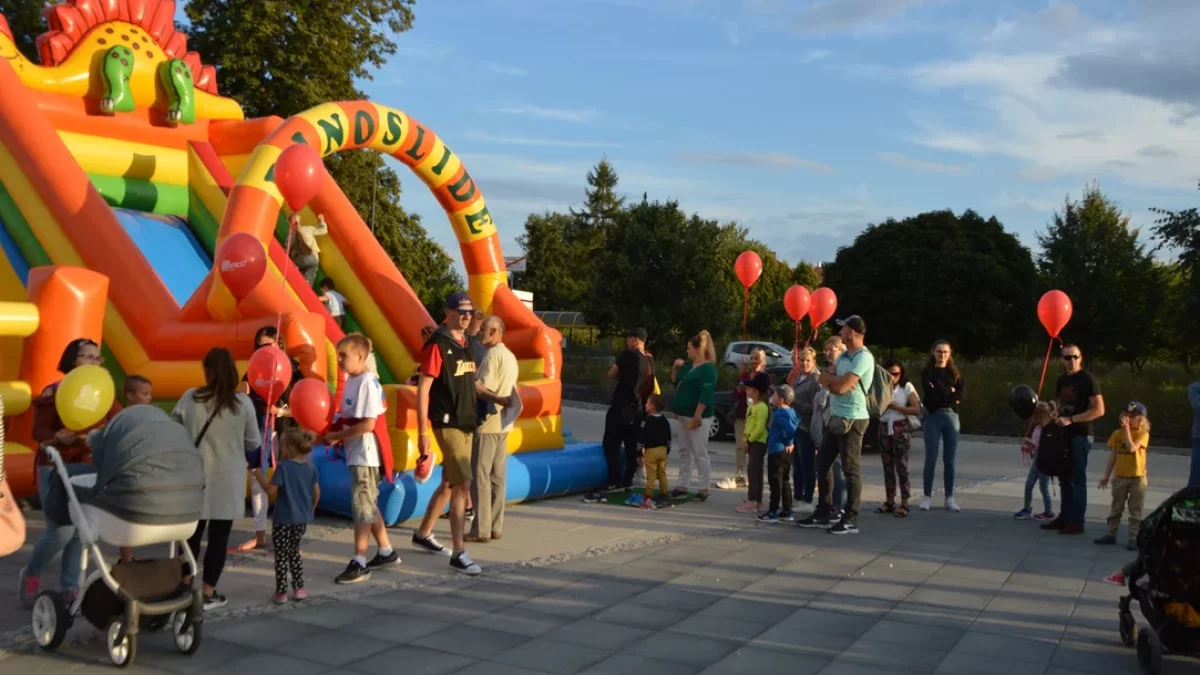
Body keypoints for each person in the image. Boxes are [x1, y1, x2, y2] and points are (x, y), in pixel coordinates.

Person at [19, 339, 121, 608]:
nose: (92, 362)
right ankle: (31, 573)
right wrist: (56, 437)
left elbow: (119, 419)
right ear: (72, 361)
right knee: (61, 530)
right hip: (55, 466)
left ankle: (70, 587)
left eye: (96, 358)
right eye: (85, 356)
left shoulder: (103, 392)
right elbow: (37, 431)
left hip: (87, 465)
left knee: (80, 531)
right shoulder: (54, 392)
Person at [172, 348, 260, 611]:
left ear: (207, 372)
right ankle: (208, 593)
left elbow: (172, 428)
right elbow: (253, 441)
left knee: (189, 537)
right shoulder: (243, 404)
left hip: (193, 478)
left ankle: (184, 586)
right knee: (219, 539)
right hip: (228, 480)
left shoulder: (190, 398)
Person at [412, 292, 483, 575]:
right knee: (463, 484)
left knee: (450, 484)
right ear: (448, 312)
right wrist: (423, 432)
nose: (466, 316)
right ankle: (459, 552)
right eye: (461, 311)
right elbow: (423, 389)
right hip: (447, 421)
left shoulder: (465, 343)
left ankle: (423, 532)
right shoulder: (438, 345)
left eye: (470, 312)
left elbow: (467, 383)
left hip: (466, 421)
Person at [324, 334, 400, 583]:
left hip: (366, 455)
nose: (341, 360)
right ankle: (386, 551)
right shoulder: (354, 380)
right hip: (357, 453)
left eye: (344, 356)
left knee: (362, 507)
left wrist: (338, 436)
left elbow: (368, 423)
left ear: (360, 356)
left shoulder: (367, 382)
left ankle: (359, 560)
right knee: (368, 503)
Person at [799, 315, 874, 535]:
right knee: (822, 463)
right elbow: (823, 378)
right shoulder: (844, 358)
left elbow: (841, 387)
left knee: (851, 469)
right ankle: (823, 511)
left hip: (853, 419)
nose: (839, 331)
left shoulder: (863, 358)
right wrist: (835, 383)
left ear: (851, 332)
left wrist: (834, 383)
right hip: (836, 417)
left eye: (843, 329)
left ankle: (851, 518)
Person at [235, 326, 304, 553]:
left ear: (279, 344)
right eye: (260, 346)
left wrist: (280, 412)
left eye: (269, 345)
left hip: (285, 431)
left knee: (288, 480)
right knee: (257, 480)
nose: (264, 350)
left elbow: (303, 405)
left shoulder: (292, 368)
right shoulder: (255, 365)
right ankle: (260, 535)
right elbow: (244, 394)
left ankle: (290, 536)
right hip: (259, 429)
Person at [251, 428, 320, 603]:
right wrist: (311, 508)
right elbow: (317, 493)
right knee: (294, 553)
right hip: (301, 520)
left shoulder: (283, 468)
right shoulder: (311, 469)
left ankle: (281, 592)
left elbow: (271, 490)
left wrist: (258, 475)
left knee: (281, 555)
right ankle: (299, 589)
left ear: (288, 448)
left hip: (283, 519)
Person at [1044, 344, 1105, 536]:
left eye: (1075, 357)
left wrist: (1072, 419)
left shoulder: (1088, 380)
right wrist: (1055, 414)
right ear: (1061, 360)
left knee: (1077, 478)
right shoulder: (1062, 380)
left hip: (1080, 433)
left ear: (1081, 358)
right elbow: (1061, 405)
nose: (1072, 361)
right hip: (1064, 435)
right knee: (1063, 477)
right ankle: (1065, 517)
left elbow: (1099, 409)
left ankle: (1077, 521)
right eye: (1067, 357)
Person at [468, 316, 518, 543]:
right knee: (498, 476)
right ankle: (496, 526)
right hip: (504, 423)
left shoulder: (492, 356)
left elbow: (482, 388)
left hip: (488, 422)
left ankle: (481, 529)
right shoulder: (509, 355)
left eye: (483, 331)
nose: (480, 335)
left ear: (495, 331)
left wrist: (472, 384)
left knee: (480, 475)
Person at [585, 328, 650, 503]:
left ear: (636, 340)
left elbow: (611, 373)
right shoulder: (647, 361)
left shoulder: (627, 355)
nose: (626, 342)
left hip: (621, 406)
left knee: (610, 444)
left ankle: (614, 480)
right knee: (630, 446)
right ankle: (628, 479)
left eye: (628, 338)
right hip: (636, 407)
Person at [669, 331, 718, 501]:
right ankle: (682, 485)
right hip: (683, 416)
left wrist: (698, 414)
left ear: (698, 350)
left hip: (698, 417)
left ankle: (704, 487)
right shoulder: (689, 366)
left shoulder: (708, 369)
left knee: (699, 451)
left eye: (689, 348)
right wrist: (675, 367)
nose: (687, 352)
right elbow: (675, 380)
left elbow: (705, 393)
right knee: (684, 451)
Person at [1096, 402, 1150, 550]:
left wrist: (1126, 430)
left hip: (1137, 477)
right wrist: (1106, 475)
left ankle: (1133, 537)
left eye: (1133, 416)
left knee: (1135, 509)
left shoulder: (1142, 434)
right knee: (1116, 507)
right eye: (1126, 415)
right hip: (1120, 476)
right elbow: (1113, 455)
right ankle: (1111, 533)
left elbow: (1132, 448)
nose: (1128, 419)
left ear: (1142, 419)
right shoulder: (1117, 434)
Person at [920, 340, 964, 513]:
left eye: (945, 351)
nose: (942, 354)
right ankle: (926, 496)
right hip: (932, 417)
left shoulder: (955, 374)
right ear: (933, 352)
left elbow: (959, 394)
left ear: (950, 353)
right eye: (939, 351)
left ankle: (949, 498)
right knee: (931, 457)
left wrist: (947, 392)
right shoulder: (928, 372)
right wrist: (948, 391)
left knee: (950, 459)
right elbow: (930, 394)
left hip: (951, 416)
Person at [809, 337, 849, 520]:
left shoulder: (845, 368)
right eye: (824, 350)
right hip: (825, 426)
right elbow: (822, 382)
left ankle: (840, 507)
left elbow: (838, 389)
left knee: (839, 468)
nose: (826, 353)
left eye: (830, 349)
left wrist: (827, 386)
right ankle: (826, 507)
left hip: (840, 422)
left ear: (841, 350)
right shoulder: (829, 370)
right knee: (825, 466)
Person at [877, 360, 920, 518]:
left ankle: (905, 502)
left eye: (896, 374)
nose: (893, 377)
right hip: (883, 427)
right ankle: (889, 501)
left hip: (900, 427)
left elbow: (915, 409)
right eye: (889, 374)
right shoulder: (880, 386)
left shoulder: (906, 387)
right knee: (887, 467)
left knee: (901, 466)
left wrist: (897, 407)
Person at [725, 349, 770, 490]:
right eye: (752, 358)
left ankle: (753, 474)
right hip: (742, 414)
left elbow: (768, 395)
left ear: (763, 361)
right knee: (740, 445)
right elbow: (734, 396)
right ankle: (740, 474)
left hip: (757, 415)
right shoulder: (744, 375)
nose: (754, 360)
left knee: (754, 446)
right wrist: (739, 390)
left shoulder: (765, 377)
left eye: (757, 358)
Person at [759, 385, 799, 524]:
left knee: (775, 481)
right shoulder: (792, 411)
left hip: (777, 450)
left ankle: (773, 511)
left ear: (781, 399)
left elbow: (789, 429)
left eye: (774, 395)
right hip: (786, 452)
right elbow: (795, 427)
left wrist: (789, 441)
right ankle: (787, 510)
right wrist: (791, 442)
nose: (772, 396)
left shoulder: (781, 413)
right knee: (785, 480)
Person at [789, 346, 822, 510]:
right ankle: (798, 497)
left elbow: (814, 407)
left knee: (807, 465)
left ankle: (808, 499)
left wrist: (795, 402)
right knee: (796, 465)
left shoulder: (816, 380)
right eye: (801, 360)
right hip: (794, 425)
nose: (804, 363)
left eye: (808, 360)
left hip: (807, 427)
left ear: (813, 361)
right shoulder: (797, 377)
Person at [1014, 402, 1056, 522]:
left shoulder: (1049, 430)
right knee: (1029, 485)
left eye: (1036, 416)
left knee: (1043, 486)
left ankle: (1049, 512)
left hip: (1045, 462)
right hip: (1036, 461)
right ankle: (1027, 508)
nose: (1034, 419)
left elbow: (1045, 448)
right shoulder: (1037, 428)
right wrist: (1028, 447)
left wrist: (1031, 444)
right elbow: (1035, 445)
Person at [737, 381, 770, 514]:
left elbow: (760, 427)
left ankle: (754, 500)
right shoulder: (752, 406)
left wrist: (749, 440)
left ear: (757, 392)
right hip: (751, 442)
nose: (747, 390)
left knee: (754, 471)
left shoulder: (762, 407)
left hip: (758, 442)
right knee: (753, 471)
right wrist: (746, 440)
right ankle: (757, 500)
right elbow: (748, 424)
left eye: (749, 389)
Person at [637, 394, 672, 509]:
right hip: (663, 450)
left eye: (647, 402)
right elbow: (668, 437)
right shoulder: (665, 420)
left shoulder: (647, 420)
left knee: (651, 475)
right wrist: (667, 450)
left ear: (651, 407)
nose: (645, 404)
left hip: (651, 451)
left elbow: (641, 437)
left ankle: (647, 497)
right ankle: (664, 493)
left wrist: (638, 452)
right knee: (662, 473)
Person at [293, 213, 328, 287]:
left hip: (306, 258)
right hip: (314, 258)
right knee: (307, 283)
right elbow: (324, 230)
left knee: (293, 266)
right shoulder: (306, 229)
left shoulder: (293, 235)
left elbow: (290, 249)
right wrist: (322, 221)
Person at [1189, 381, 1200, 488]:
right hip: (1199, 439)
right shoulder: (1195, 387)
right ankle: (1192, 504)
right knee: (1196, 480)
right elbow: (1198, 406)